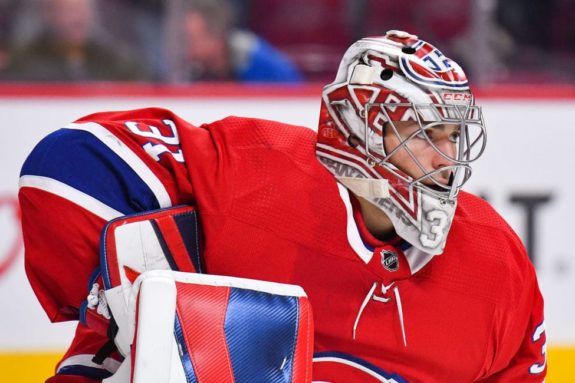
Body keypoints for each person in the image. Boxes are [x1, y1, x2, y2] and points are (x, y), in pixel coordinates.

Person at [19, 30, 546, 382]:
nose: (447, 158)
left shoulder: (495, 264)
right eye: (425, 133)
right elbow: (65, 166)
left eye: (454, 136)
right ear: (362, 127)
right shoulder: (258, 175)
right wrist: (160, 305)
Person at [1, 0, 148, 81]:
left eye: (82, 10)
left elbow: (136, 78)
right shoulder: (25, 58)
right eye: (69, 11)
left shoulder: (109, 56)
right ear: (49, 15)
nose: (78, 19)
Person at [176, 0, 302, 82]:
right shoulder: (194, 70)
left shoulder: (258, 62)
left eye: (191, 38)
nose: (186, 47)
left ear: (215, 37)